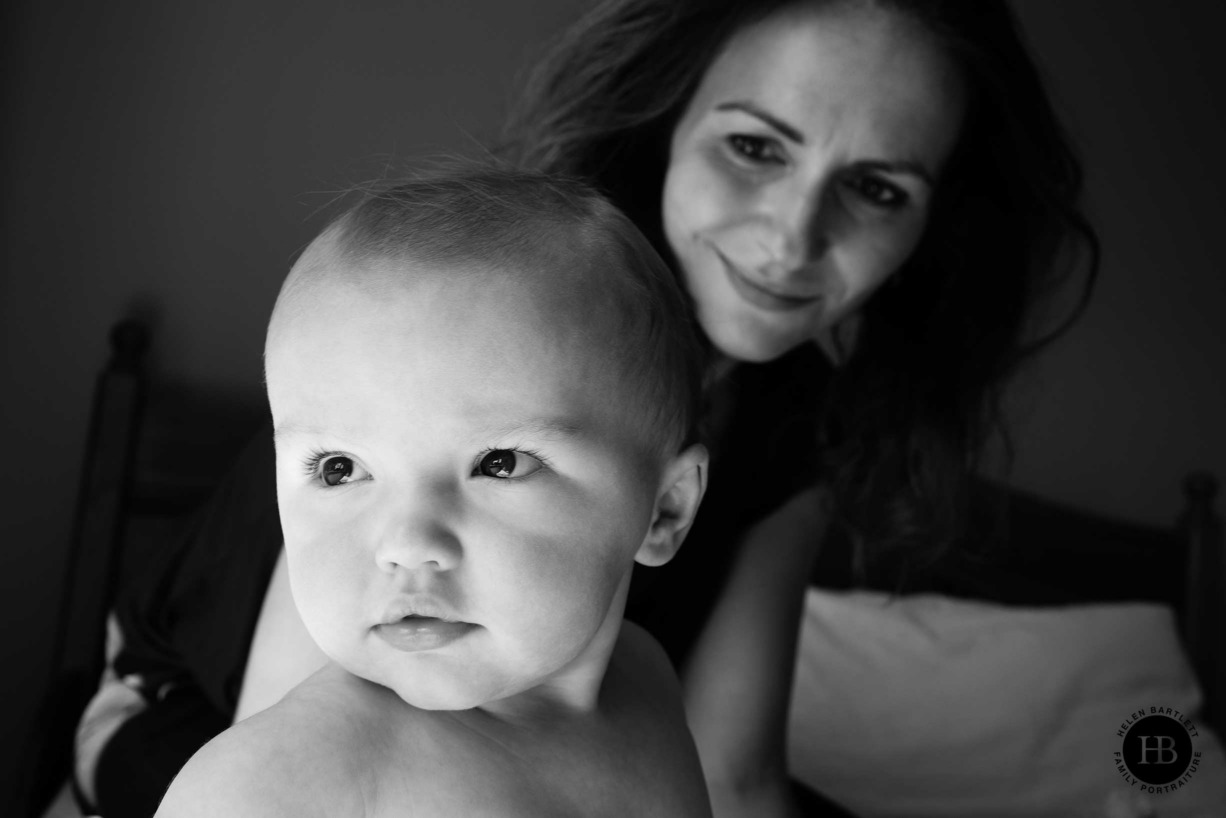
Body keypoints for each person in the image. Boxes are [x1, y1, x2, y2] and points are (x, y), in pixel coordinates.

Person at [91, 1, 1098, 816]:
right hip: (195, 713)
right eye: (754, 147)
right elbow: (301, 737)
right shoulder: (441, 318)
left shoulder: (797, 423)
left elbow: (734, 771)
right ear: (667, 120)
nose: (791, 237)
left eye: (875, 188)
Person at [154, 167, 713, 817]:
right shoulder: (277, 782)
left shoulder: (647, 685)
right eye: (339, 468)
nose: (408, 543)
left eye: (500, 463)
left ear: (664, 509)